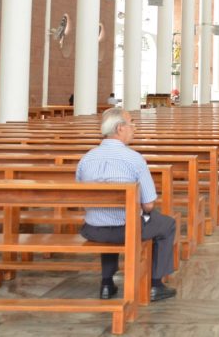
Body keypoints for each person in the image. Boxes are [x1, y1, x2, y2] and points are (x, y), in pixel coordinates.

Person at [76, 107, 177, 302]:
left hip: (93, 229)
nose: (134, 128)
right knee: (167, 224)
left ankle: (106, 283)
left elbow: (81, 197)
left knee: (106, 220)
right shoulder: (133, 159)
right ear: (120, 128)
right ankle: (155, 284)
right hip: (126, 228)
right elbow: (148, 204)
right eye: (132, 124)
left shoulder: (86, 159)